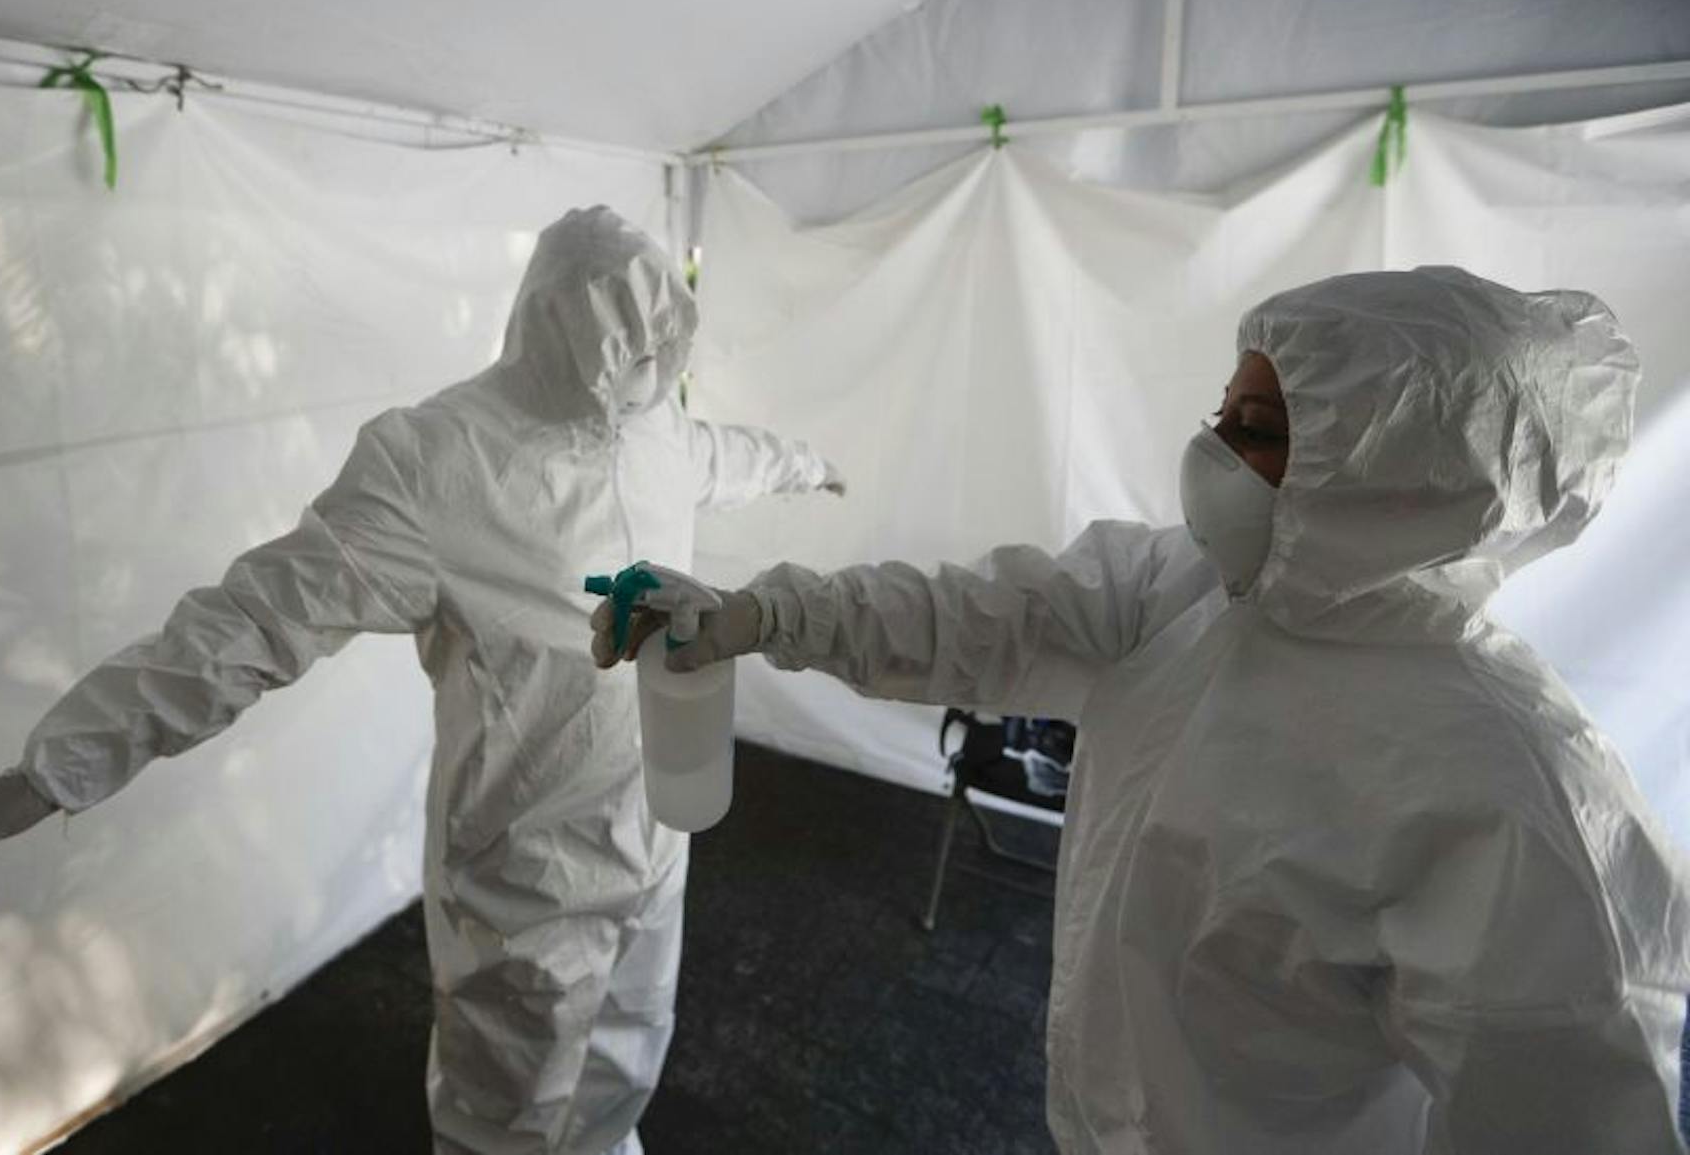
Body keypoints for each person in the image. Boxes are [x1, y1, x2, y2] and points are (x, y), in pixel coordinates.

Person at [594, 266, 1690, 1153]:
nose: (1211, 449)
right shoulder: (1188, 590)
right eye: (1221, 411)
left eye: (1257, 427)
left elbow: (1577, 1116)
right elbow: (975, 617)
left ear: (1392, 472)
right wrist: (753, 614)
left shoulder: (1513, 786)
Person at [0, 204, 842, 1154]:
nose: (646, 374)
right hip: (525, 866)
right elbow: (254, 620)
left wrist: (812, 463)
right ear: (559, 325)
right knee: (504, 1096)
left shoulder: (657, 429)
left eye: (659, 354)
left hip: (653, 824)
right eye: (627, 350)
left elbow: (728, 456)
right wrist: (54, 769)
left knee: (626, 1053)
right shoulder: (436, 462)